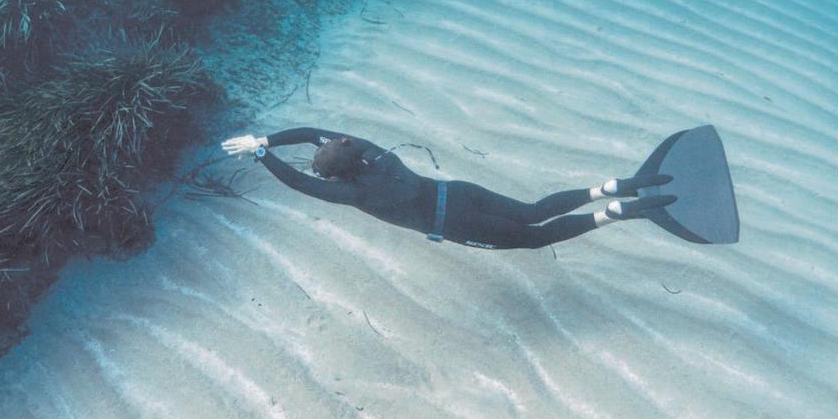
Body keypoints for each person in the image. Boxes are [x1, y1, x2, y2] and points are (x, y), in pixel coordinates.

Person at [221, 127, 676, 250]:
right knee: (535, 209)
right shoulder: (373, 152)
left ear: (339, 177)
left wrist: (263, 156)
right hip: (458, 192)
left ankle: (614, 214)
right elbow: (313, 132)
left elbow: (299, 182)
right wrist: (266, 140)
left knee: (536, 238)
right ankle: (614, 186)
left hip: (454, 221)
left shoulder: (354, 192)